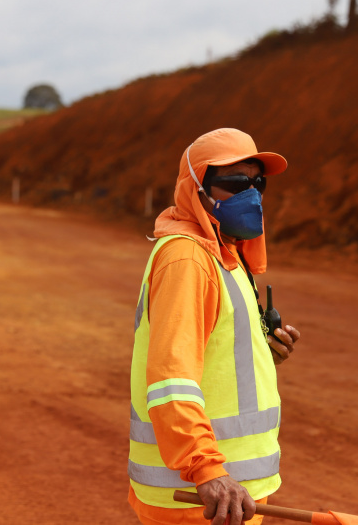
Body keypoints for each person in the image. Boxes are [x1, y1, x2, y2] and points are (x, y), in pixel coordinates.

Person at [128, 128, 301, 525]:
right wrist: (207, 471)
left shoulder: (225, 254)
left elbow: (214, 357)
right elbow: (171, 379)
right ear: (196, 187)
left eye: (258, 182)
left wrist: (263, 352)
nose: (252, 193)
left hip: (230, 496)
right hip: (199, 496)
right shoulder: (188, 260)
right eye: (235, 183)